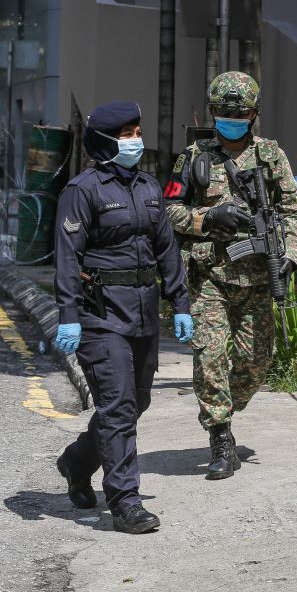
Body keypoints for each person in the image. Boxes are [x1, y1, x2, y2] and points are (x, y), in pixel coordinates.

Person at [51, 101, 193, 534]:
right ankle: (125, 501)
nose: (136, 140)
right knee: (117, 406)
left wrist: (180, 303)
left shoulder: (149, 187)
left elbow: (166, 248)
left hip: (144, 309)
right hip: (100, 314)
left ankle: (76, 461)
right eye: (127, 133)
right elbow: (67, 256)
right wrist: (68, 315)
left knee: (137, 403)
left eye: (137, 131)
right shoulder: (83, 190)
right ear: (106, 140)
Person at [163, 71, 297, 480]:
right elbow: (167, 209)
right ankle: (221, 438)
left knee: (255, 364)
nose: (231, 118)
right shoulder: (192, 158)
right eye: (224, 112)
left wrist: (290, 257)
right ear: (213, 113)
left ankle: (224, 407)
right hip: (209, 276)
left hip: (258, 277)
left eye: (239, 113)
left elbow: (294, 211)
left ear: (253, 114)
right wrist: (207, 218)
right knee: (210, 358)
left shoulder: (270, 156)